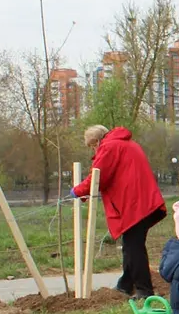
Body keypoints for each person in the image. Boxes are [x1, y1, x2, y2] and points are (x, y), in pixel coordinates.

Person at [71, 125, 166, 299]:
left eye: (92, 146)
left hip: (133, 205)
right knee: (131, 245)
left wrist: (78, 191)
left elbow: (98, 177)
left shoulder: (109, 147)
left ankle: (144, 290)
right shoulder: (126, 144)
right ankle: (126, 285)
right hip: (143, 201)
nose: (93, 150)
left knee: (133, 248)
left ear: (97, 141)